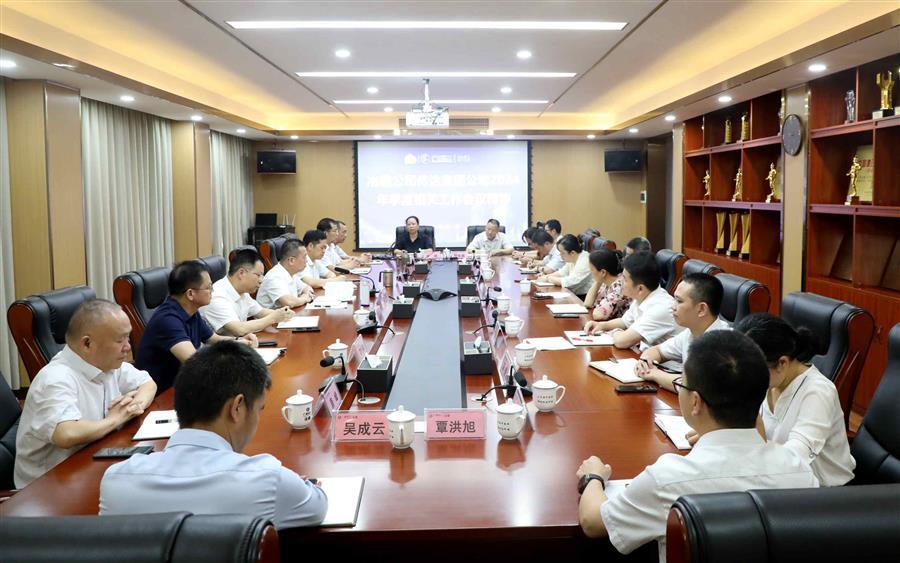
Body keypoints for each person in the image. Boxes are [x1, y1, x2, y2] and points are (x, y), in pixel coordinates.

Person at [576, 330, 818, 561]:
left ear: (695, 402)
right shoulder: (800, 472)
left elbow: (593, 522)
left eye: (682, 384)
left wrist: (592, 477)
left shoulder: (667, 479)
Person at [100, 341, 327, 528]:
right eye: (259, 409)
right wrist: (297, 486)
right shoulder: (269, 480)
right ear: (237, 408)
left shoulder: (116, 481)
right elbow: (317, 505)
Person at [14, 300, 157, 488]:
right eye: (120, 340)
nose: (128, 347)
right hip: (47, 488)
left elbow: (148, 384)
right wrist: (116, 419)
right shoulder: (55, 379)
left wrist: (134, 405)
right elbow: (66, 433)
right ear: (87, 343)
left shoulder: (107, 363)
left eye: (127, 337)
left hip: (90, 465)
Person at [735, 313, 855, 486]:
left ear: (782, 363)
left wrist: (755, 443)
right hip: (778, 478)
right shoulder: (770, 381)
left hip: (823, 490)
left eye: (752, 370)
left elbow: (795, 459)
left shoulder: (818, 392)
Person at [136, 260, 257, 394]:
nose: (212, 291)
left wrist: (239, 342)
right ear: (190, 294)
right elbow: (194, 362)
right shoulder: (168, 320)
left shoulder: (190, 310)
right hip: (161, 394)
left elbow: (213, 339)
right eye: (208, 287)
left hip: (184, 384)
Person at [635, 273, 730, 391]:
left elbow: (692, 386)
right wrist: (645, 362)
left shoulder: (722, 343)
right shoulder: (690, 332)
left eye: (679, 301)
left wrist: (654, 374)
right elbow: (657, 350)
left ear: (701, 309)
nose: (673, 306)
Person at [583, 252, 679, 350]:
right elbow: (624, 322)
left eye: (624, 279)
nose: (620, 282)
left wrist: (615, 332)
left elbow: (622, 341)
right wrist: (601, 325)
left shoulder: (660, 308)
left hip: (661, 360)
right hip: (644, 355)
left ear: (640, 289)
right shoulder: (642, 296)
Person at [200, 248, 294, 336]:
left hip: (240, 343)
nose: (261, 280)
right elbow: (239, 329)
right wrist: (273, 318)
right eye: (258, 275)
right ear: (241, 273)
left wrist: (283, 314)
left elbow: (261, 312)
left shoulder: (242, 292)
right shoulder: (217, 296)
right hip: (221, 347)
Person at [257, 238, 315, 309]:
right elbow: (289, 302)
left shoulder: (291, 273)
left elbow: (307, 288)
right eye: (304, 257)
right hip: (272, 316)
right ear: (291, 260)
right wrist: (304, 298)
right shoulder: (274, 276)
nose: (306, 261)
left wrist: (305, 296)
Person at [583, 249, 631, 322]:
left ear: (603, 272)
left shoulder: (619, 287)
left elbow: (599, 315)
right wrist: (598, 281)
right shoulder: (605, 282)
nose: (591, 272)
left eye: (592, 270)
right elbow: (587, 303)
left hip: (621, 326)